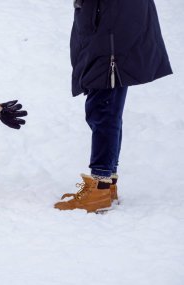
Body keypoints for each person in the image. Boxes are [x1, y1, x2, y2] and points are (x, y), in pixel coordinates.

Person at [54, 0, 172, 212]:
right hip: (110, 27)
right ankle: (107, 182)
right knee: (108, 108)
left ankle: (100, 186)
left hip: (109, 30)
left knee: (103, 110)